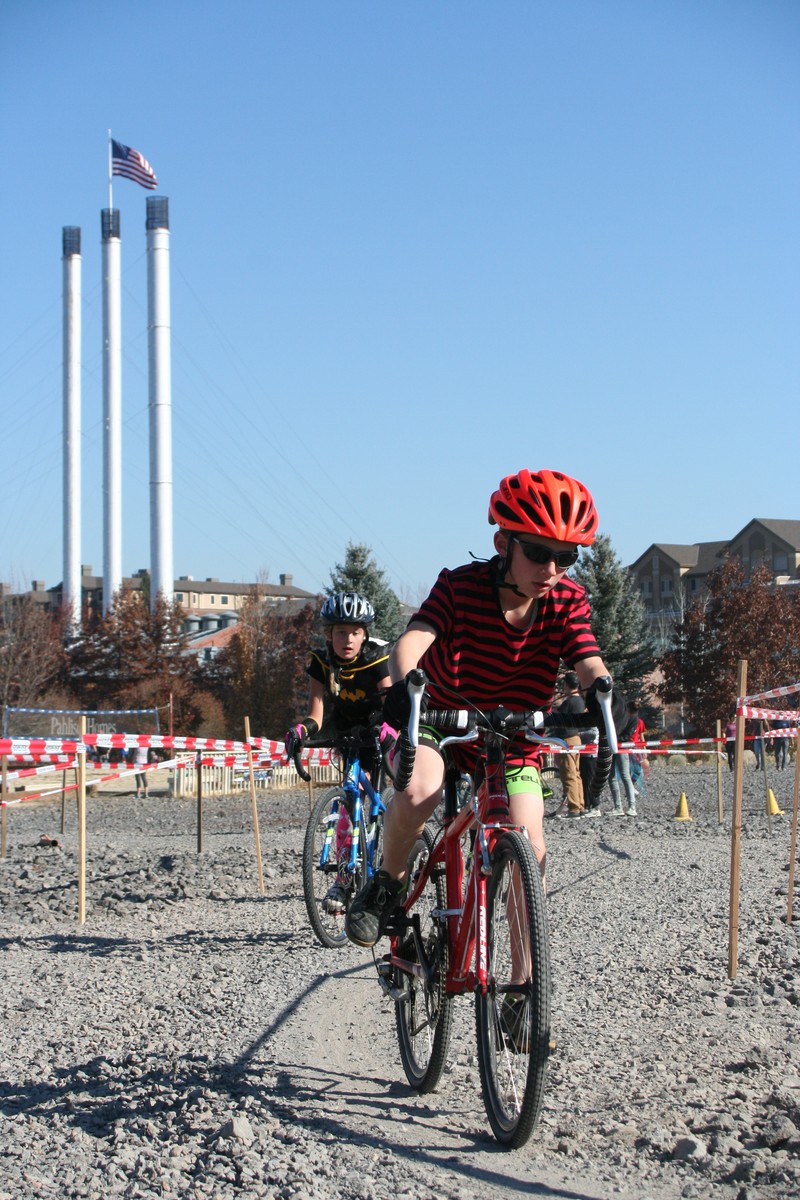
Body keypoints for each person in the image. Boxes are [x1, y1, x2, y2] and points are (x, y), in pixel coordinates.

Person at [345, 467, 624, 951]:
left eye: (566, 557)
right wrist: (406, 684)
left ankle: (522, 989)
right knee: (419, 794)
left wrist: (600, 689)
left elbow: (586, 657)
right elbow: (413, 642)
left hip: (513, 735)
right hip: (438, 720)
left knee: (531, 849)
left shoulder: (567, 600)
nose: (552, 570)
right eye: (538, 553)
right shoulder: (459, 587)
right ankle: (385, 883)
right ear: (503, 544)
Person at [284, 591, 391, 914]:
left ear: (364, 635)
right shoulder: (321, 662)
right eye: (341, 632)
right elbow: (316, 713)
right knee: (350, 797)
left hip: (377, 728)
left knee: (382, 791)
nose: (348, 639)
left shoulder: (376, 658)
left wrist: (388, 729)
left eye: (355, 632)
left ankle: (394, 855)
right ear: (329, 634)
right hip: (345, 731)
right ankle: (345, 879)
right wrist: (301, 731)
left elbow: (391, 704)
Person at [556, 671, 588, 817]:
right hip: (576, 738)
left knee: (568, 774)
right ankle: (580, 804)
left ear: (567, 685)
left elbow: (557, 719)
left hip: (567, 740)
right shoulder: (580, 701)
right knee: (576, 773)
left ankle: (573, 807)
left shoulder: (568, 702)